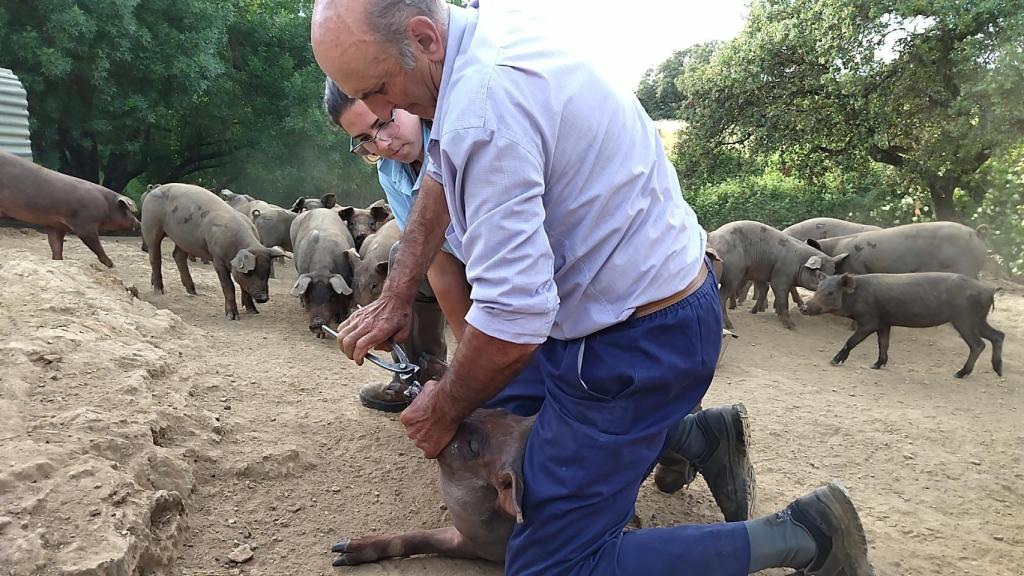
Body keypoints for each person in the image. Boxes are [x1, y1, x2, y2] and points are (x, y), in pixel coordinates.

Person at [311, 1, 874, 575]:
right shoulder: (477, 41)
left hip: (635, 343)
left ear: (424, 38)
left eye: (380, 89)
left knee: (555, 566)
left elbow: (511, 323)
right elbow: (438, 167)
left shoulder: (486, 113)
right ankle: (698, 435)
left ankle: (806, 535)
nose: (381, 113)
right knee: (501, 410)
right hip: (627, 310)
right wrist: (398, 292)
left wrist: (444, 407)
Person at [323, 78, 472, 412]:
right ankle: (420, 376)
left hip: (505, 264)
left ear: (406, 98)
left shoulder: (461, 135)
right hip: (461, 262)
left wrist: (483, 367)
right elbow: (435, 261)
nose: (383, 144)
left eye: (384, 122)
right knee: (402, 261)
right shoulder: (390, 171)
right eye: (365, 139)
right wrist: (469, 354)